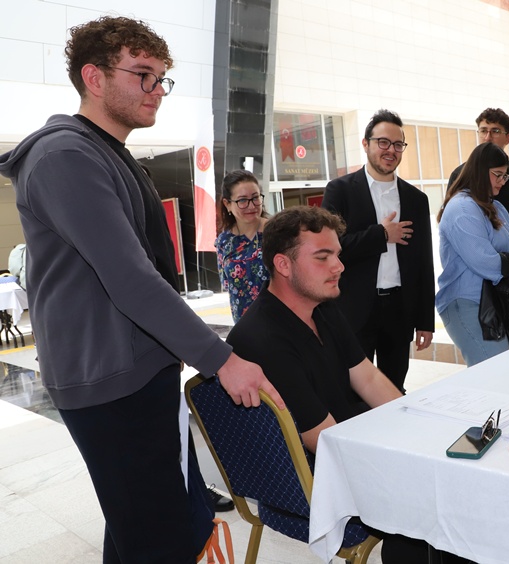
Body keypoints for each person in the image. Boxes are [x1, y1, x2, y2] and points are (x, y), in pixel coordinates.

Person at [0, 16, 283, 563]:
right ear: (94, 77)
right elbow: (130, 278)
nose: (156, 90)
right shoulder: (66, 157)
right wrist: (221, 360)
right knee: (162, 538)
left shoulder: (108, 152)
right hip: (110, 380)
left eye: (161, 78)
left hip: (134, 368)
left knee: (141, 532)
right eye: (142, 75)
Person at [226, 205, 433, 562]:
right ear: (283, 265)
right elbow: (324, 440)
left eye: (337, 255)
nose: (339, 266)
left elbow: (367, 377)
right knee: (430, 498)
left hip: (343, 442)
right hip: (315, 476)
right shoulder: (263, 338)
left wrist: (416, 423)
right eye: (323, 257)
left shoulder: (320, 307)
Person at [322, 109, 434, 393]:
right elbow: (331, 249)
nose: (391, 150)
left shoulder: (416, 199)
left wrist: (425, 321)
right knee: (352, 391)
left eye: (398, 144)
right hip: (354, 308)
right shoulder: (340, 191)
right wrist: (381, 235)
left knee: (394, 388)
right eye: (383, 142)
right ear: (366, 144)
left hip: (399, 308)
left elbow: (424, 262)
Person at [436, 142, 509, 366]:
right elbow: (485, 262)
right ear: (479, 172)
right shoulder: (461, 208)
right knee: (496, 373)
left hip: (498, 301)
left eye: (505, 176)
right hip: (468, 302)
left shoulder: (497, 207)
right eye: (497, 175)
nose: (502, 181)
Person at [447, 108, 509, 239]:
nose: (488, 137)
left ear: (508, 138)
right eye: (483, 131)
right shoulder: (460, 175)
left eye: (495, 131)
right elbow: (450, 219)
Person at [216, 170, 270, 322]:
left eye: (255, 198)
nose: (251, 206)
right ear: (227, 204)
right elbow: (226, 283)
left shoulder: (278, 231)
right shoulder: (224, 241)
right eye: (242, 200)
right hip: (244, 323)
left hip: (279, 319)